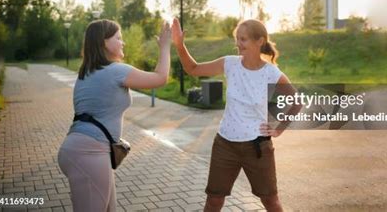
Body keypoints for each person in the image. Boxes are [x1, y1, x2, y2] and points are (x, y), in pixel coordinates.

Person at [171, 17, 293, 212]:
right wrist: (179, 45)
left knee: (271, 202)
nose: (238, 43)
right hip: (225, 144)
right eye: (237, 38)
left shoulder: (271, 72)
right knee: (214, 201)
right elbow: (193, 68)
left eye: (243, 39)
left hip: (257, 147)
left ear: (259, 41)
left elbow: (296, 101)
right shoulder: (230, 64)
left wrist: (279, 128)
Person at [57, 19, 171, 212]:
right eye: (119, 38)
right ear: (104, 43)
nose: (123, 42)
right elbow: (160, 78)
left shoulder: (87, 73)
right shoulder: (115, 71)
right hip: (89, 153)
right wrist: (165, 47)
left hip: (84, 150)